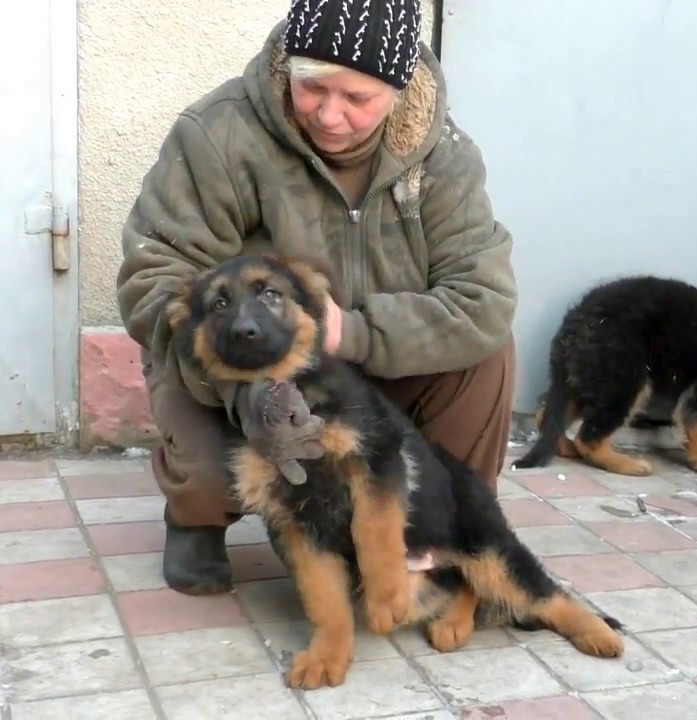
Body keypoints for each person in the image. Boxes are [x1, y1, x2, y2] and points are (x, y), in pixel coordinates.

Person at [115, 0, 518, 597]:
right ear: (286, 70)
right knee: (214, 463)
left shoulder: (445, 158)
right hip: (246, 356)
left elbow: (482, 299)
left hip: (372, 356)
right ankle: (197, 518)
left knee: (488, 353)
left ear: (400, 90)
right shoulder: (218, 134)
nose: (331, 116)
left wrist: (348, 334)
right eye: (313, 88)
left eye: (359, 99)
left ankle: (442, 526)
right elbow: (154, 278)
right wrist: (243, 388)